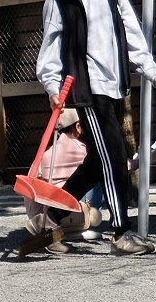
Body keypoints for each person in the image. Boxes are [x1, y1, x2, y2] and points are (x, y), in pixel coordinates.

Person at [35, 0, 156, 256]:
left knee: (98, 163)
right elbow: (50, 51)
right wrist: (53, 87)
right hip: (86, 90)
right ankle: (120, 233)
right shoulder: (61, 0)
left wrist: (152, 73)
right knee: (114, 158)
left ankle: (50, 216)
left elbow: (135, 41)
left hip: (114, 88)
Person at [22, 108, 102, 252]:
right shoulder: (77, 148)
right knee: (98, 174)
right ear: (78, 127)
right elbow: (114, 164)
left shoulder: (49, 146)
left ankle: (53, 227)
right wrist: (143, 159)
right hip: (53, 210)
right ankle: (75, 225)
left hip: (35, 210)